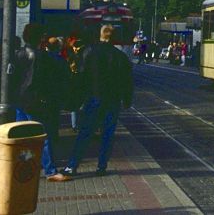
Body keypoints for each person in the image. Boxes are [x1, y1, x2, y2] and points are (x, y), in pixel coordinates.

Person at [63, 24, 134, 176]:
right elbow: (127, 81)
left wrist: (76, 98)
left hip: (93, 97)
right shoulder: (120, 57)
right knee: (107, 134)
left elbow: (80, 77)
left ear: (100, 35)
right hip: (113, 100)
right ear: (114, 38)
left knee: (85, 132)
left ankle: (72, 165)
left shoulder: (89, 52)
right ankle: (101, 166)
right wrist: (127, 99)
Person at [13, 23, 71, 182]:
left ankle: (21, 167)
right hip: (35, 101)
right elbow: (45, 81)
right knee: (43, 136)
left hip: (20, 100)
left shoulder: (18, 54)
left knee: (22, 136)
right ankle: (50, 171)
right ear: (40, 38)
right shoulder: (42, 57)